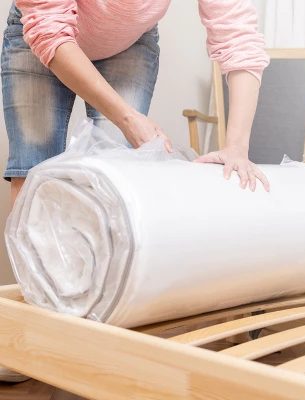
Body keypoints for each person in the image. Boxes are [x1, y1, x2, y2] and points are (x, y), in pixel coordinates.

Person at [1, 0, 269, 382]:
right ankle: (28, 335)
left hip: (128, 44)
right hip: (42, 32)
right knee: (32, 172)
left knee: (113, 185)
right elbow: (49, 25)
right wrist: (127, 118)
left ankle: (95, 336)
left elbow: (237, 36)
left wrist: (237, 147)